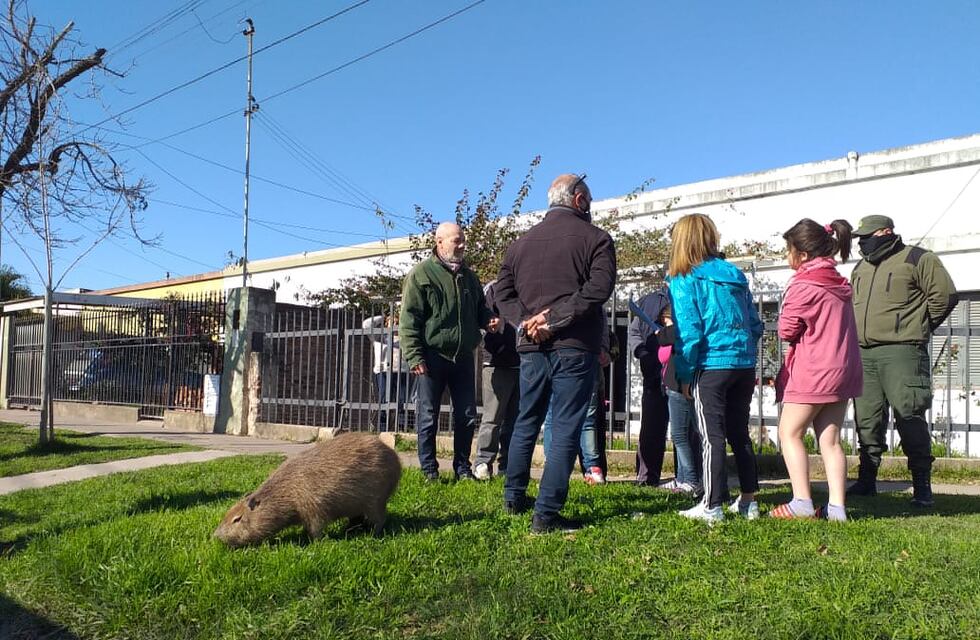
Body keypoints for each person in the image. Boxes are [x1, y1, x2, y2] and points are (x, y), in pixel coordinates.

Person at [495, 173, 617, 534]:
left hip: (532, 348)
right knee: (565, 426)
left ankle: (513, 498)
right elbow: (599, 289)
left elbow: (502, 293)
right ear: (579, 200)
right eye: (589, 200)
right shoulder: (596, 239)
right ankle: (546, 515)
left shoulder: (519, 245)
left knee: (525, 422)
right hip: (574, 347)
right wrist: (555, 319)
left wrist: (527, 321)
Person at [847, 215, 958, 507]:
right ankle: (867, 480)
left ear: (886, 232)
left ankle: (922, 484)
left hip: (903, 352)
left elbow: (944, 296)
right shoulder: (861, 267)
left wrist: (917, 328)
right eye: (860, 237)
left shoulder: (919, 258)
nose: (863, 242)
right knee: (867, 419)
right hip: (864, 353)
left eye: (868, 236)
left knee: (910, 415)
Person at [667, 213, 763, 523]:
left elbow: (689, 332)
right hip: (744, 364)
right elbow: (755, 324)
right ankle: (748, 501)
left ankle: (712, 505)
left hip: (710, 365)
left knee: (711, 436)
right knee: (739, 433)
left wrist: (684, 373)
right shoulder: (733, 273)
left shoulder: (683, 277)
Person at [772, 219, 863, 521]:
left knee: (789, 432)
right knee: (831, 439)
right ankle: (837, 508)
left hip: (813, 371)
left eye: (789, 249)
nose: (787, 256)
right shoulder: (839, 282)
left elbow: (786, 330)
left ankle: (802, 501)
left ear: (803, 253)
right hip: (843, 371)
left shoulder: (803, 285)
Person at [399, 222, 498, 482]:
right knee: (428, 415)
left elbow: (480, 310)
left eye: (463, 239)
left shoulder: (470, 277)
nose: (462, 245)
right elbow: (409, 320)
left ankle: (462, 468)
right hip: (431, 356)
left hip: (463, 356)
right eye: (457, 240)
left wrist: (489, 319)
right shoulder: (421, 275)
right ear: (439, 242)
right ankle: (429, 470)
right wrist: (414, 356)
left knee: (466, 415)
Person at [541, 310, 612, 485]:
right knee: (584, 417)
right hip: (585, 354)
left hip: (561, 355)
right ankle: (592, 467)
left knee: (555, 415)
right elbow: (600, 324)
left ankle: (553, 468)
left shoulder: (558, 295)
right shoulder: (591, 295)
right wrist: (601, 347)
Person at [653, 303, 703, 495]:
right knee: (681, 435)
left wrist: (664, 332)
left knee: (680, 435)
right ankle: (682, 478)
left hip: (679, 384)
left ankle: (690, 479)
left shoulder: (681, 327)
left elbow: (665, 340)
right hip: (674, 384)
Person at [473, 280, 520, 480]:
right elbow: (482, 317)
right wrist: (494, 324)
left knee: (516, 420)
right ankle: (483, 462)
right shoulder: (493, 288)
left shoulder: (531, 284)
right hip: (497, 363)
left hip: (525, 362)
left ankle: (508, 466)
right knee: (492, 418)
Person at [628, 290, 670, 487]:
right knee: (651, 427)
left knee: (685, 431)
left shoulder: (689, 293)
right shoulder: (648, 301)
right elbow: (634, 331)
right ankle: (646, 476)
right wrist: (641, 352)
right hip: (653, 373)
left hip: (680, 372)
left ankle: (688, 476)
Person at [362, 312, 412, 431]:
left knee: (403, 400)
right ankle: (381, 427)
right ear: (386, 324)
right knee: (383, 400)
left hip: (403, 371)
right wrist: (383, 317)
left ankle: (403, 428)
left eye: (397, 323)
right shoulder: (379, 336)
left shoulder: (405, 338)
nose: (395, 325)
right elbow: (366, 324)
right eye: (392, 322)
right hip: (383, 371)